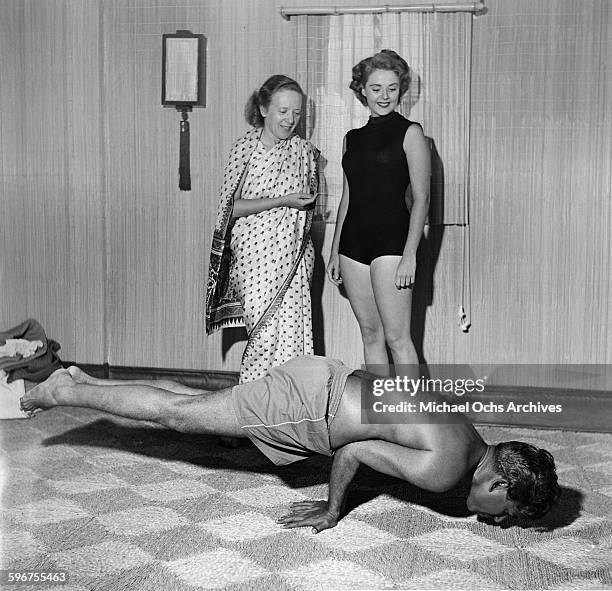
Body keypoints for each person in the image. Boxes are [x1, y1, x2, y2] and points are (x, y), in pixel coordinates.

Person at [21, 356, 561, 533]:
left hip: (326, 376)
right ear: (497, 481)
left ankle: (81, 380)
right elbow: (352, 453)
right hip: (312, 408)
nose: (497, 521)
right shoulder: (448, 471)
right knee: (178, 416)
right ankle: (62, 391)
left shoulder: (468, 433)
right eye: (506, 511)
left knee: (192, 403)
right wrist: (331, 509)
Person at [206, 75, 319, 385]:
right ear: (263, 108)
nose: (290, 120)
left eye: (297, 113)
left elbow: (307, 208)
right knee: (264, 336)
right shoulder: (245, 149)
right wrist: (282, 200)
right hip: (254, 256)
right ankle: (250, 413)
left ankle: (287, 414)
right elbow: (231, 209)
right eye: (283, 111)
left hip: (293, 256)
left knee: (294, 337)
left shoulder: (303, 151)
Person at [327, 50, 430, 375]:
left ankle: (413, 420)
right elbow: (348, 197)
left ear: (401, 89)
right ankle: (383, 420)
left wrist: (410, 254)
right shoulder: (351, 139)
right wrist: (334, 251)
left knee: (398, 339)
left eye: (392, 88)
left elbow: (423, 199)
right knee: (370, 336)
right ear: (362, 90)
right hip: (353, 246)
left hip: (393, 245)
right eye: (375, 88)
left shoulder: (411, 132)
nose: (384, 96)